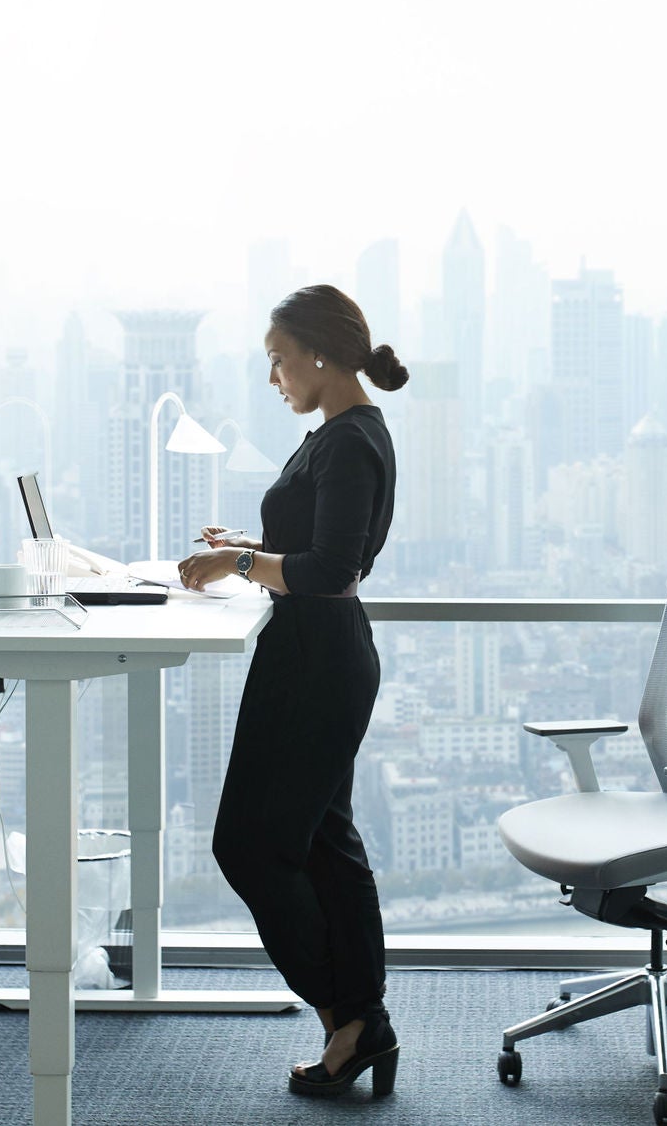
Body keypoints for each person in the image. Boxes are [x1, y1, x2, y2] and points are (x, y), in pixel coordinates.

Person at [177, 283, 407, 1098]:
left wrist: (241, 563)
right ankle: (360, 1018)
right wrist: (245, 544)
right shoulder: (340, 433)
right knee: (325, 843)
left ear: (316, 351)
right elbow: (310, 545)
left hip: (317, 660)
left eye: (277, 359)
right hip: (312, 652)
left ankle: (350, 1016)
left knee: (248, 846)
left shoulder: (350, 441)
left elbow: (331, 568)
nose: (273, 376)